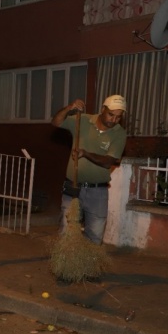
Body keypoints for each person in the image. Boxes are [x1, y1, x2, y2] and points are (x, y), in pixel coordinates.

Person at [51, 95, 128, 245]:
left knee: (94, 236)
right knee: (67, 232)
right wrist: (69, 108)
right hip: (73, 187)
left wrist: (85, 153)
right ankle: (65, 266)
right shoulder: (83, 120)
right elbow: (56, 122)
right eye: (111, 114)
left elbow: (108, 162)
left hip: (97, 192)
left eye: (118, 117)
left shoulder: (119, 133)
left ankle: (88, 267)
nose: (113, 120)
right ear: (102, 110)